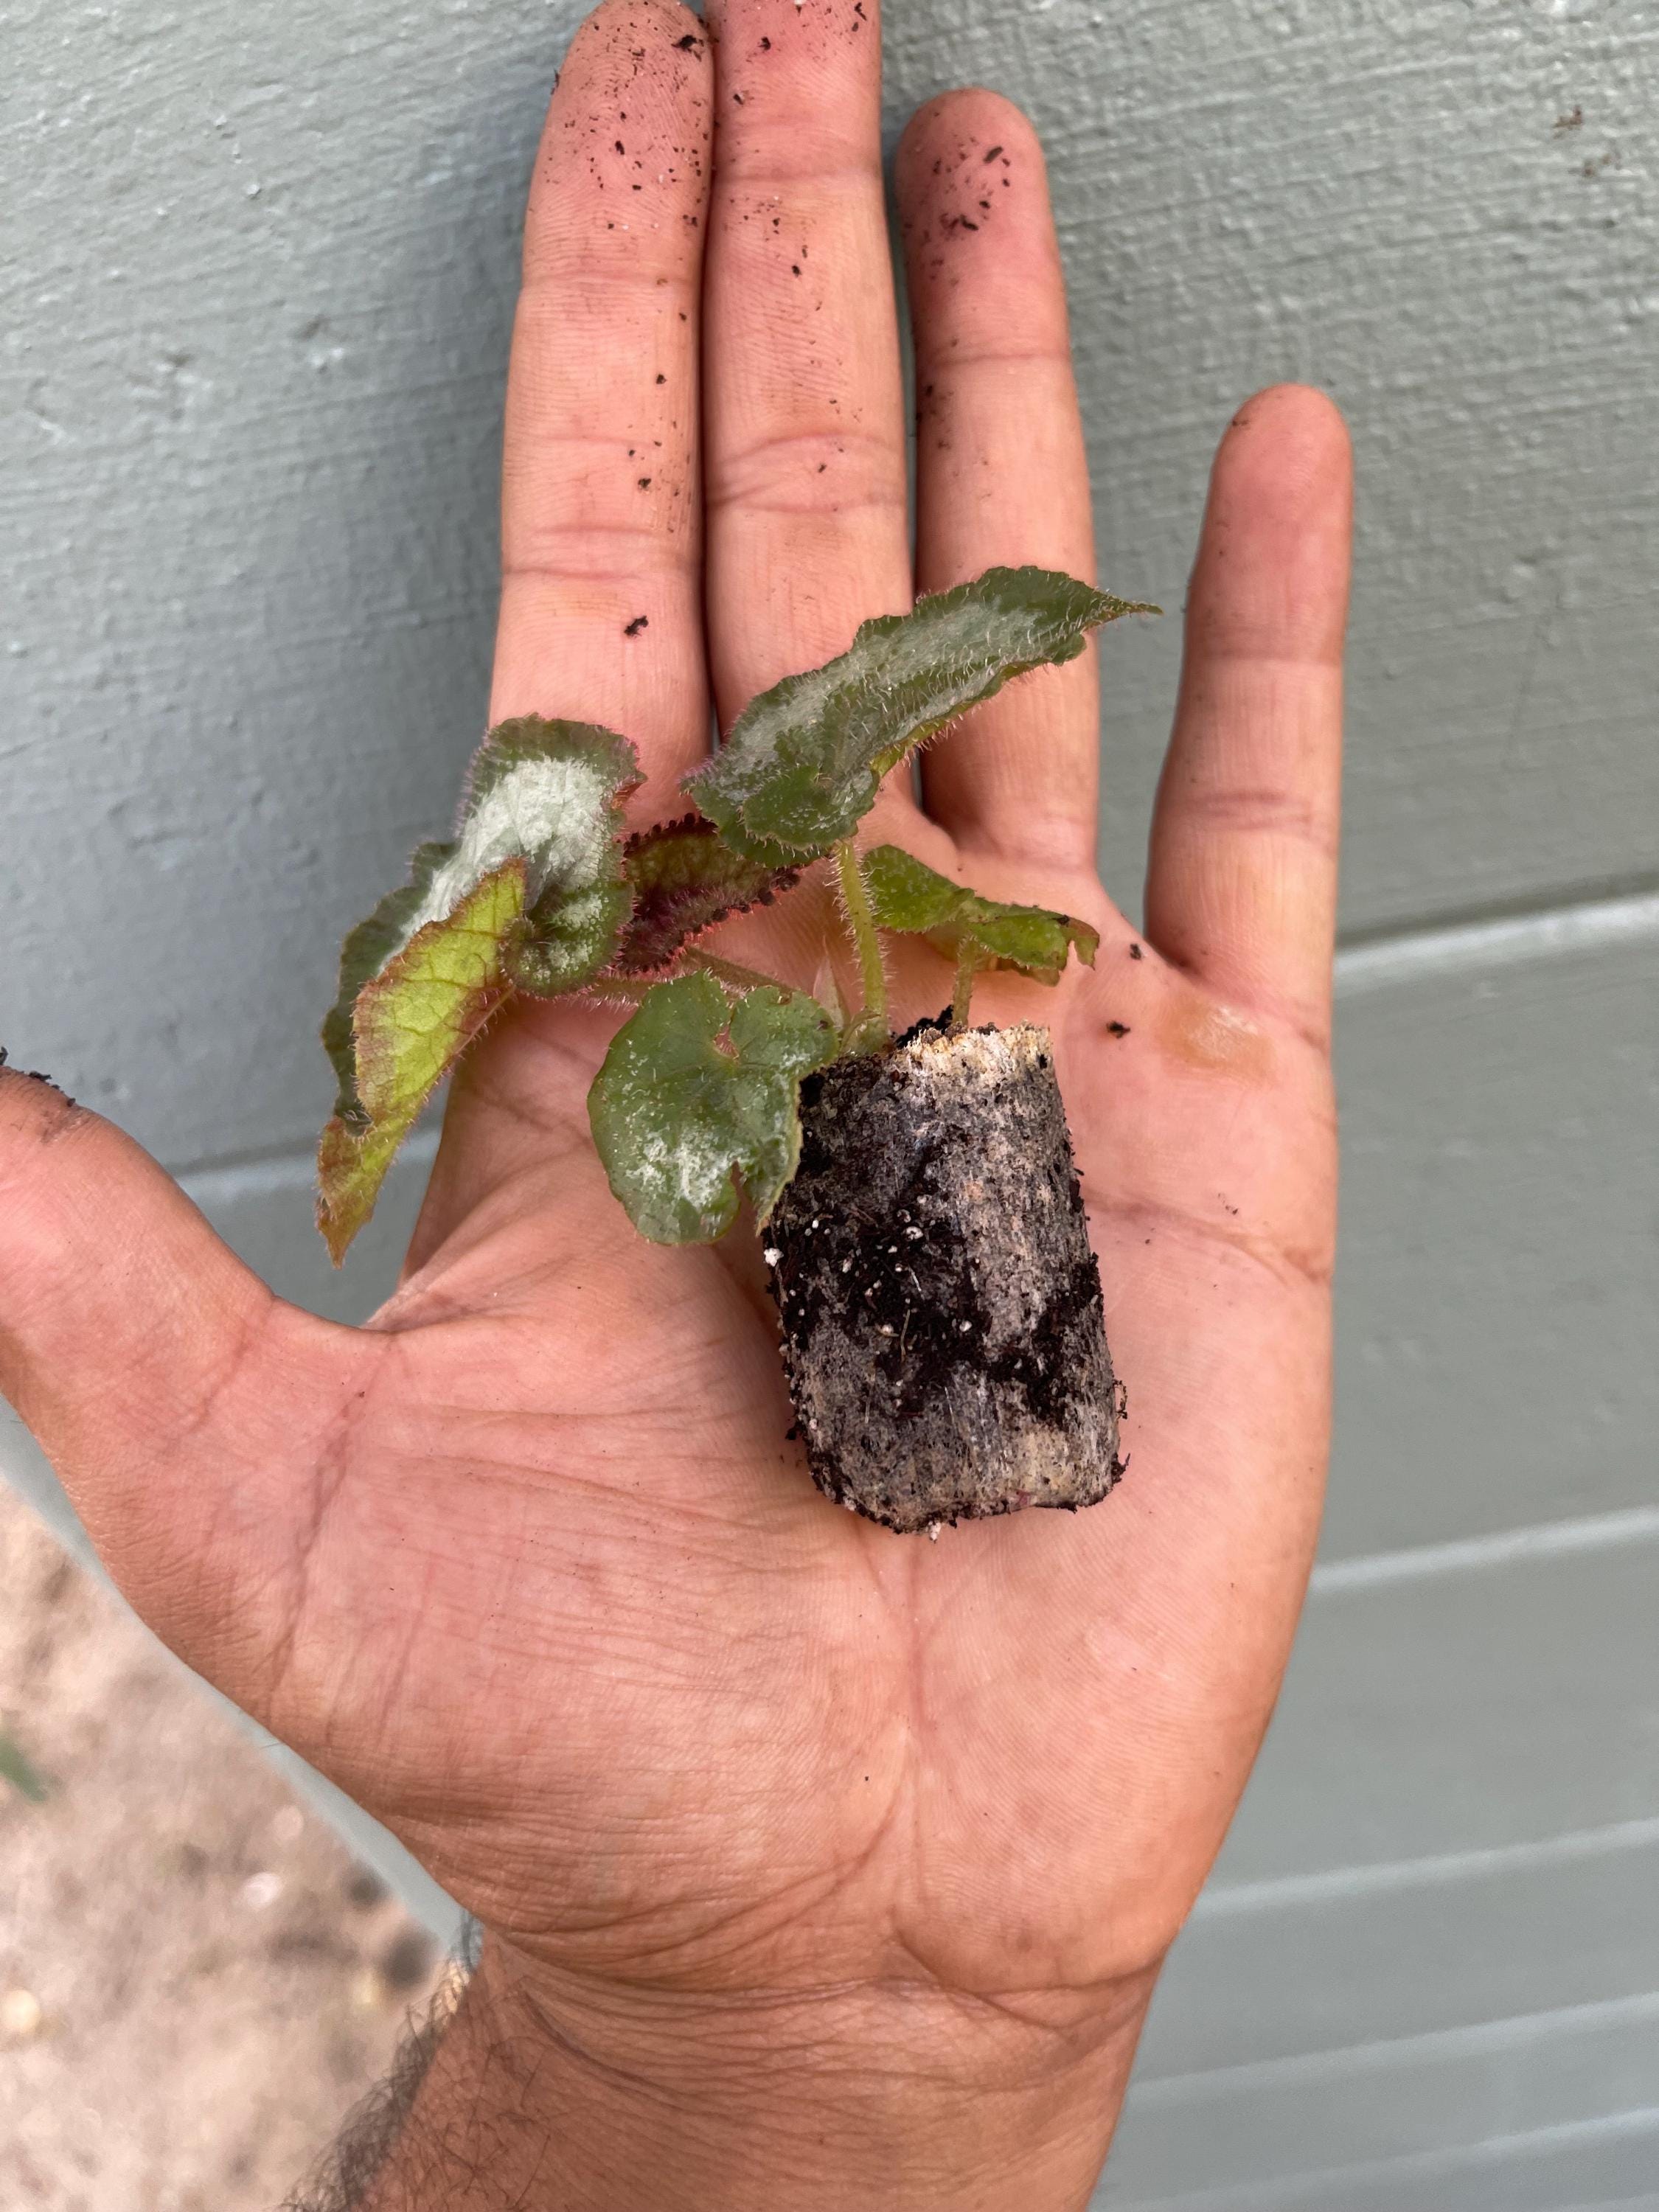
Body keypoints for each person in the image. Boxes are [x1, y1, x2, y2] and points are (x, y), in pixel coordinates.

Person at [0, 0, 1352, 2202]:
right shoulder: (681, 1013)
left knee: (891, 997)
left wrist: (769, 2061)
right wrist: (766, 2044)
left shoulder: (820, 978)